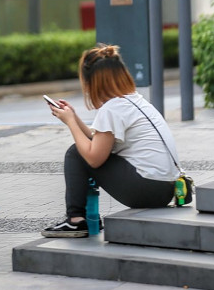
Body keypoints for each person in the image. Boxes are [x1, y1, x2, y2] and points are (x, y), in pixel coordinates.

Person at [42, 44, 178, 238]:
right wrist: (74, 117)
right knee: (83, 150)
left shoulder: (112, 109)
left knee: (76, 153)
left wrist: (70, 122)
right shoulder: (135, 100)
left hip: (147, 189)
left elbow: (93, 158)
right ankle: (82, 219)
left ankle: (76, 220)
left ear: (93, 83)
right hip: (167, 189)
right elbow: (99, 141)